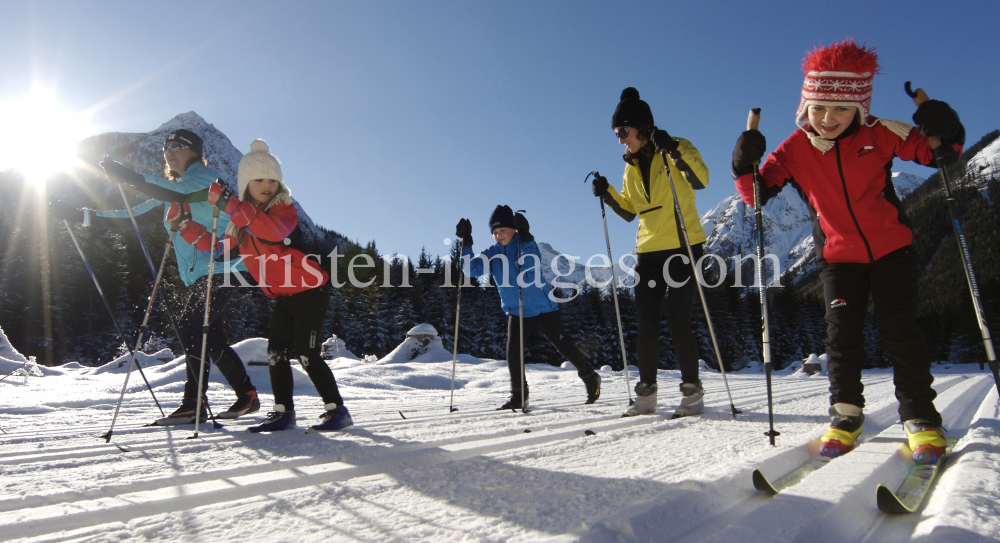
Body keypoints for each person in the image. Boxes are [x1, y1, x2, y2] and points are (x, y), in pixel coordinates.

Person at [730, 39, 963, 464]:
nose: (827, 118)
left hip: (892, 250)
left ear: (858, 107)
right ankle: (846, 415)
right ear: (805, 107)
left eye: (839, 108)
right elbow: (755, 195)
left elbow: (940, 154)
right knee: (841, 337)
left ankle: (920, 418)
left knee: (899, 332)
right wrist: (744, 162)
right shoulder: (794, 149)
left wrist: (943, 126)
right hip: (838, 258)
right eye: (818, 108)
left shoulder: (882, 133)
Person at [49, 129, 258, 424]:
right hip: (203, 272)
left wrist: (129, 177)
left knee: (191, 326)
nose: (169, 152)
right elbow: (130, 217)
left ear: (195, 152)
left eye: (177, 146)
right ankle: (246, 395)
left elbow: (175, 192)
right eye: (166, 148)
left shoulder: (205, 181)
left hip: (229, 267)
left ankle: (193, 403)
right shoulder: (172, 193)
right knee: (211, 337)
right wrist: (79, 215)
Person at [175, 139, 352, 433]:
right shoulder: (240, 223)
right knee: (276, 353)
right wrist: (186, 227)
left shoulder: (283, 210)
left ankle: (338, 411)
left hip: (310, 290)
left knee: (306, 353)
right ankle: (284, 412)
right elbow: (219, 250)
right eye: (259, 179)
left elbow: (272, 232)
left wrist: (230, 205)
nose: (266, 185)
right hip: (283, 295)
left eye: (272, 179)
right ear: (246, 184)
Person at [591, 87, 711, 418]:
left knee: (677, 320)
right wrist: (608, 192)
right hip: (648, 251)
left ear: (641, 127)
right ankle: (646, 394)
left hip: (684, 247)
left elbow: (701, 180)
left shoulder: (678, 146)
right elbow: (630, 211)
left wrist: (672, 149)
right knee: (645, 322)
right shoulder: (629, 169)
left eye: (622, 132)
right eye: (616, 134)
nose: (619, 140)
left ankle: (692, 393)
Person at [455, 206, 601, 410]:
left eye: (502, 230)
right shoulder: (493, 253)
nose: (498, 236)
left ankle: (590, 377)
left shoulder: (526, 246)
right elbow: (470, 269)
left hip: (543, 309)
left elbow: (531, 269)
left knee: (563, 346)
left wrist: (527, 236)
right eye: (494, 233)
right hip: (517, 311)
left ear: (514, 229)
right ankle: (519, 396)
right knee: (513, 353)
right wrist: (467, 242)